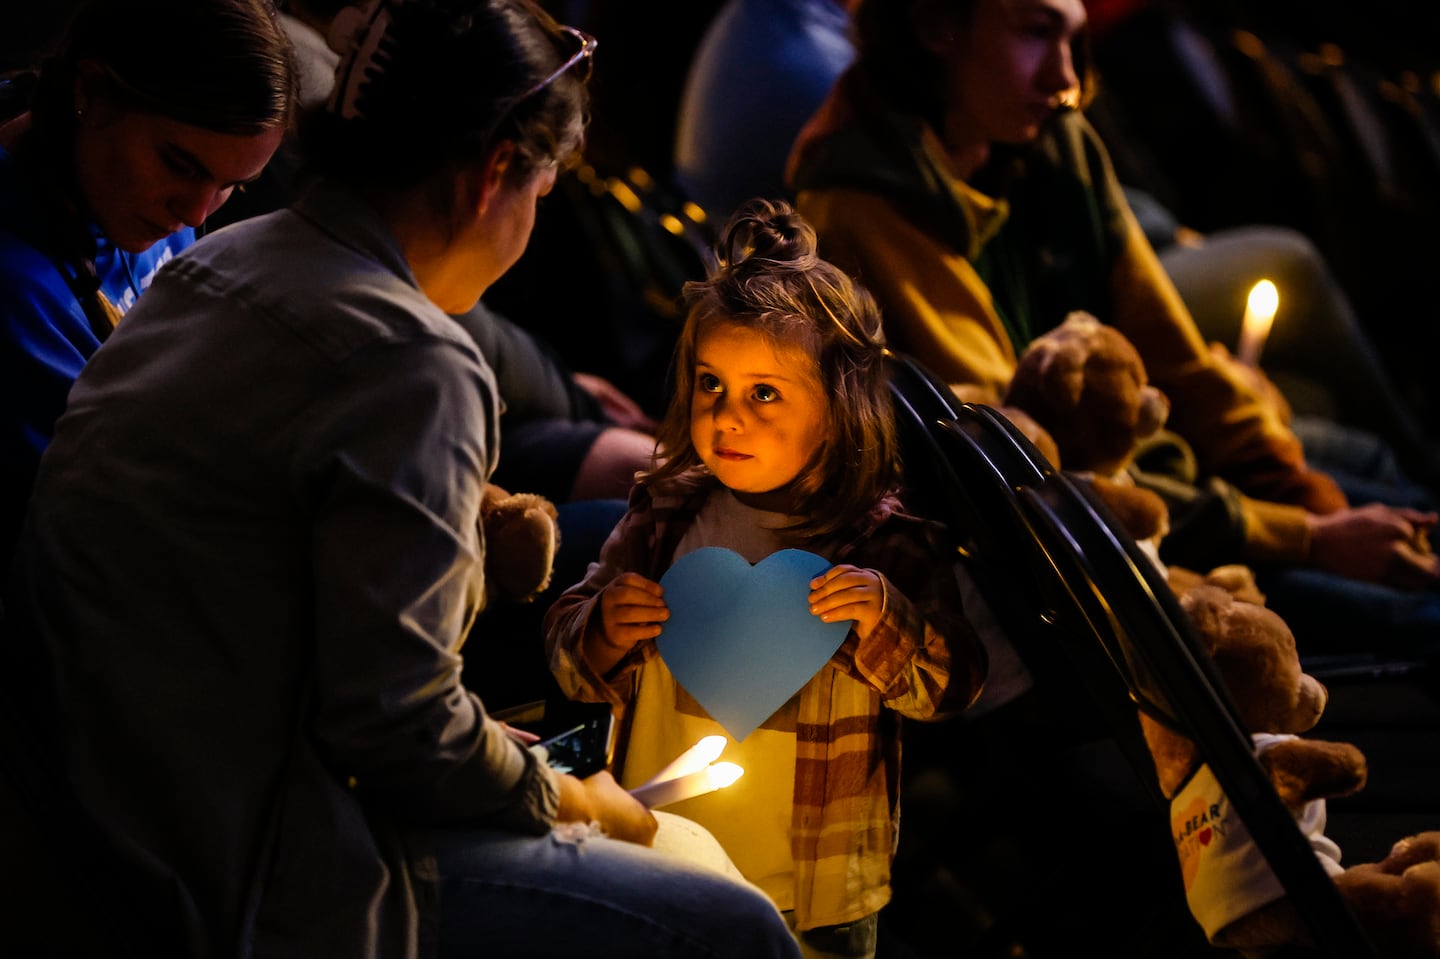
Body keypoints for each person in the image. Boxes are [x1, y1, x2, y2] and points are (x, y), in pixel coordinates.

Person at [0, 1, 804, 956]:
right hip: (222, 871)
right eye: (542, 192)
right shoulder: (411, 362)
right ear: (496, 176)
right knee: (730, 916)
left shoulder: (217, 264)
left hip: (78, 816)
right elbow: (396, 729)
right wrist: (554, 791)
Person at [786, 0, 1440, 646]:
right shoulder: (863, 201)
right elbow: (1034, 480)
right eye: (1037, 32)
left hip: (1178, 481)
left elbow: (1178, 359)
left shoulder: (1052, 135)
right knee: (1420, 612)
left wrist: (1294, 489)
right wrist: (1307, 536)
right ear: (934, 24)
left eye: (1072, 38)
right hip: (1115, 553)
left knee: (1385, 482)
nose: (1066, 81)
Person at [544, 198, 989, 959]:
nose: (727, 417)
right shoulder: (665, 517)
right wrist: (600, 629)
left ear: (840, 408)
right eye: (712, 384)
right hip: (658, 856)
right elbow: (567, 660)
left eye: (765, 393)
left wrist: (888, 622)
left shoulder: (885, 547)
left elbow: (954, 687)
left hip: (813, 890)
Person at [0, 0, 296, 572]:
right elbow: (142, 521)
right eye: (179, 165)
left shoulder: (115, 192)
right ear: (90, 92)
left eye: (231, 185)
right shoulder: (15, 290)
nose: (193, 214)